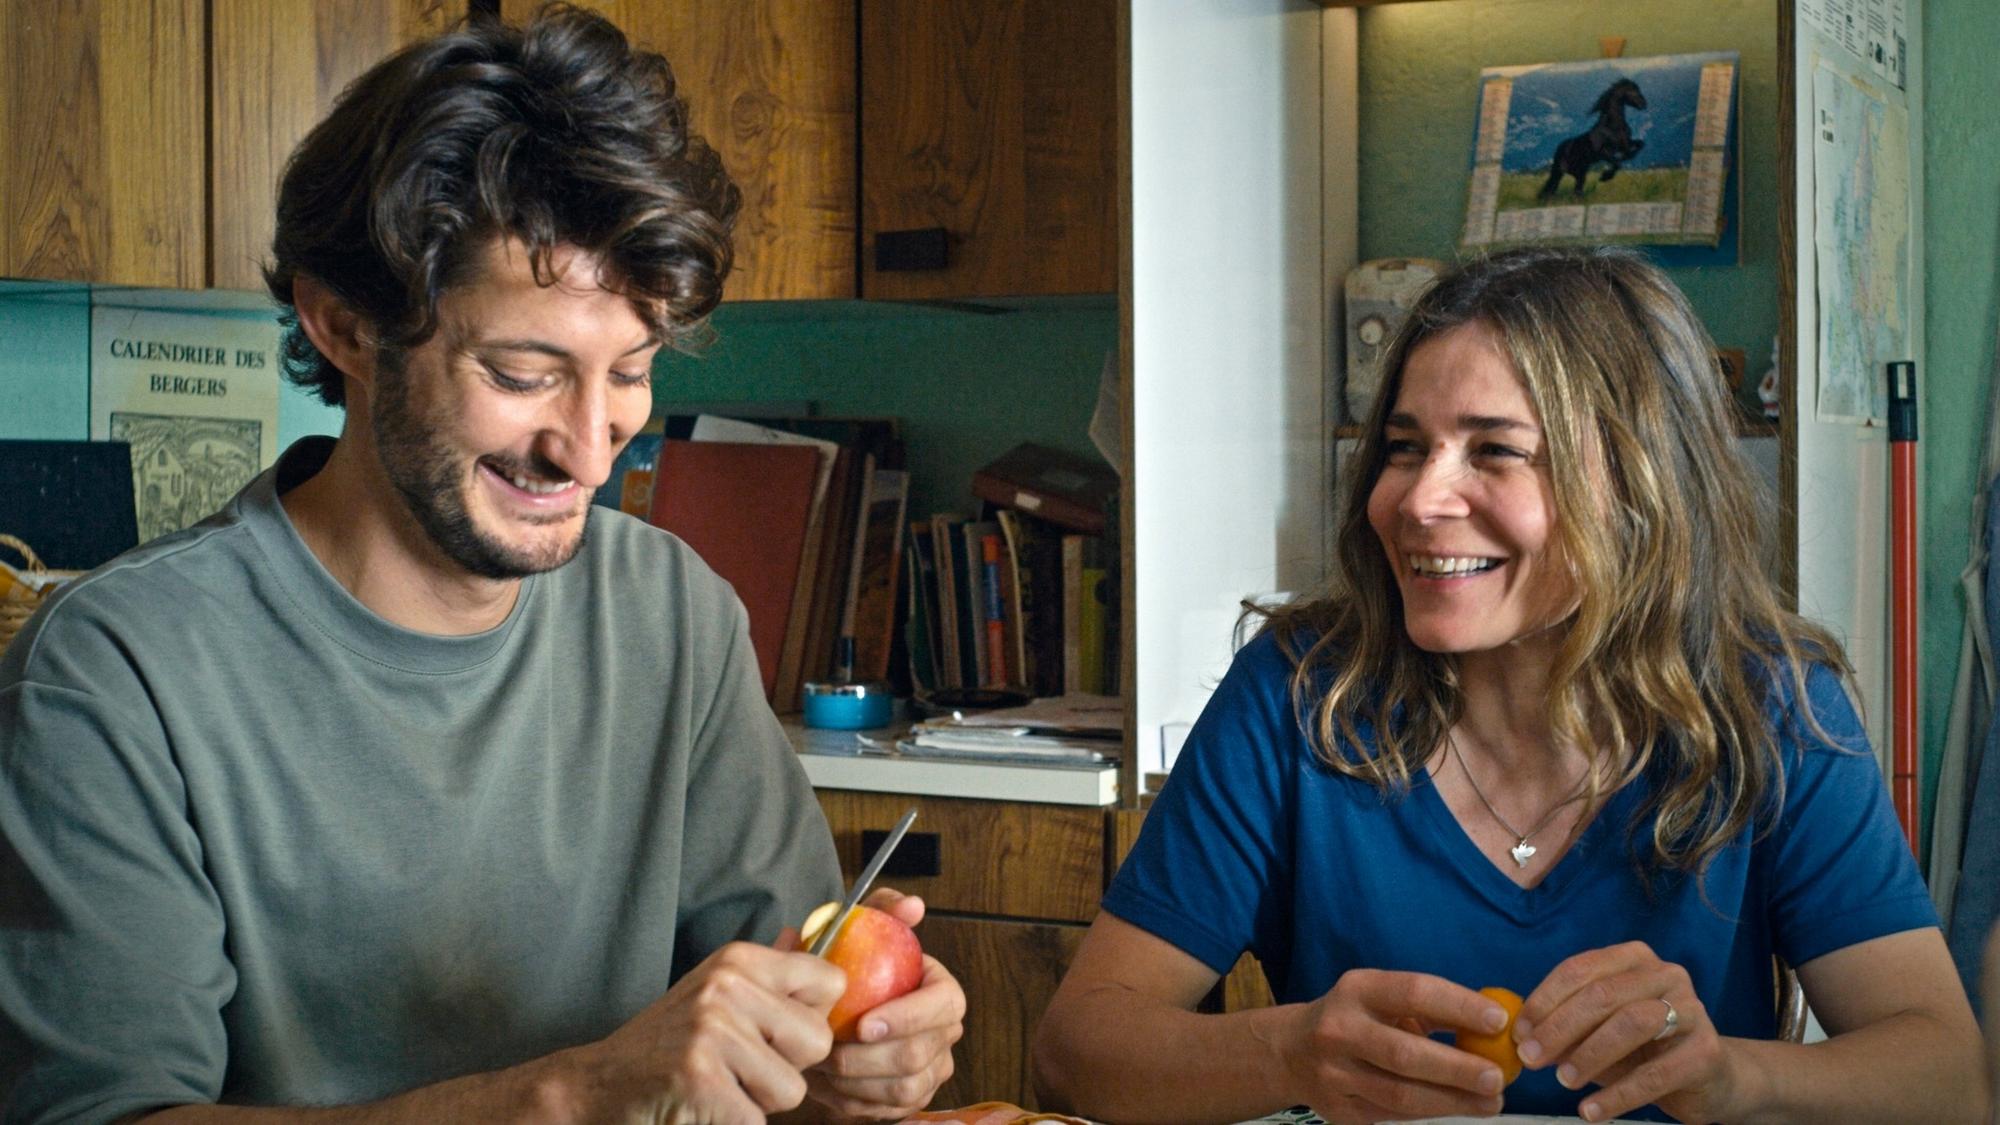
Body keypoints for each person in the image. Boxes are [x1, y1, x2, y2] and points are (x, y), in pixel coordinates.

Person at [0, 7, 963, 1122]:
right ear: (346, 326)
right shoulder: (117, 674)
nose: (590, 444)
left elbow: (766, 1053)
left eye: (634, 371)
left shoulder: (674, 616)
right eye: (521, 372)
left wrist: (857, 1056)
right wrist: (570, 1096)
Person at [1033, 246, 1986, 1123]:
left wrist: (1734, 1076)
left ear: (1639, 484)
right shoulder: (1297, 693)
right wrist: (1287, 1050)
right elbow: (1077, 1049)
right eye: (1405, 446)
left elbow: (1950, 1079)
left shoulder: (1775, 708)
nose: (1416, 499)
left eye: (1494, 450)